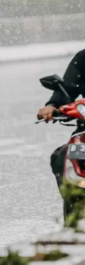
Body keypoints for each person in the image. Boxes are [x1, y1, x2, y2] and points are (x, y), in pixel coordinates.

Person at [37, 50, 85, 187]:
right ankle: (74, 204)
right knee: (62, 157)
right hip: (84, 131)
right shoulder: (83, 58)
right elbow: (67, 88)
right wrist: (52, 105)